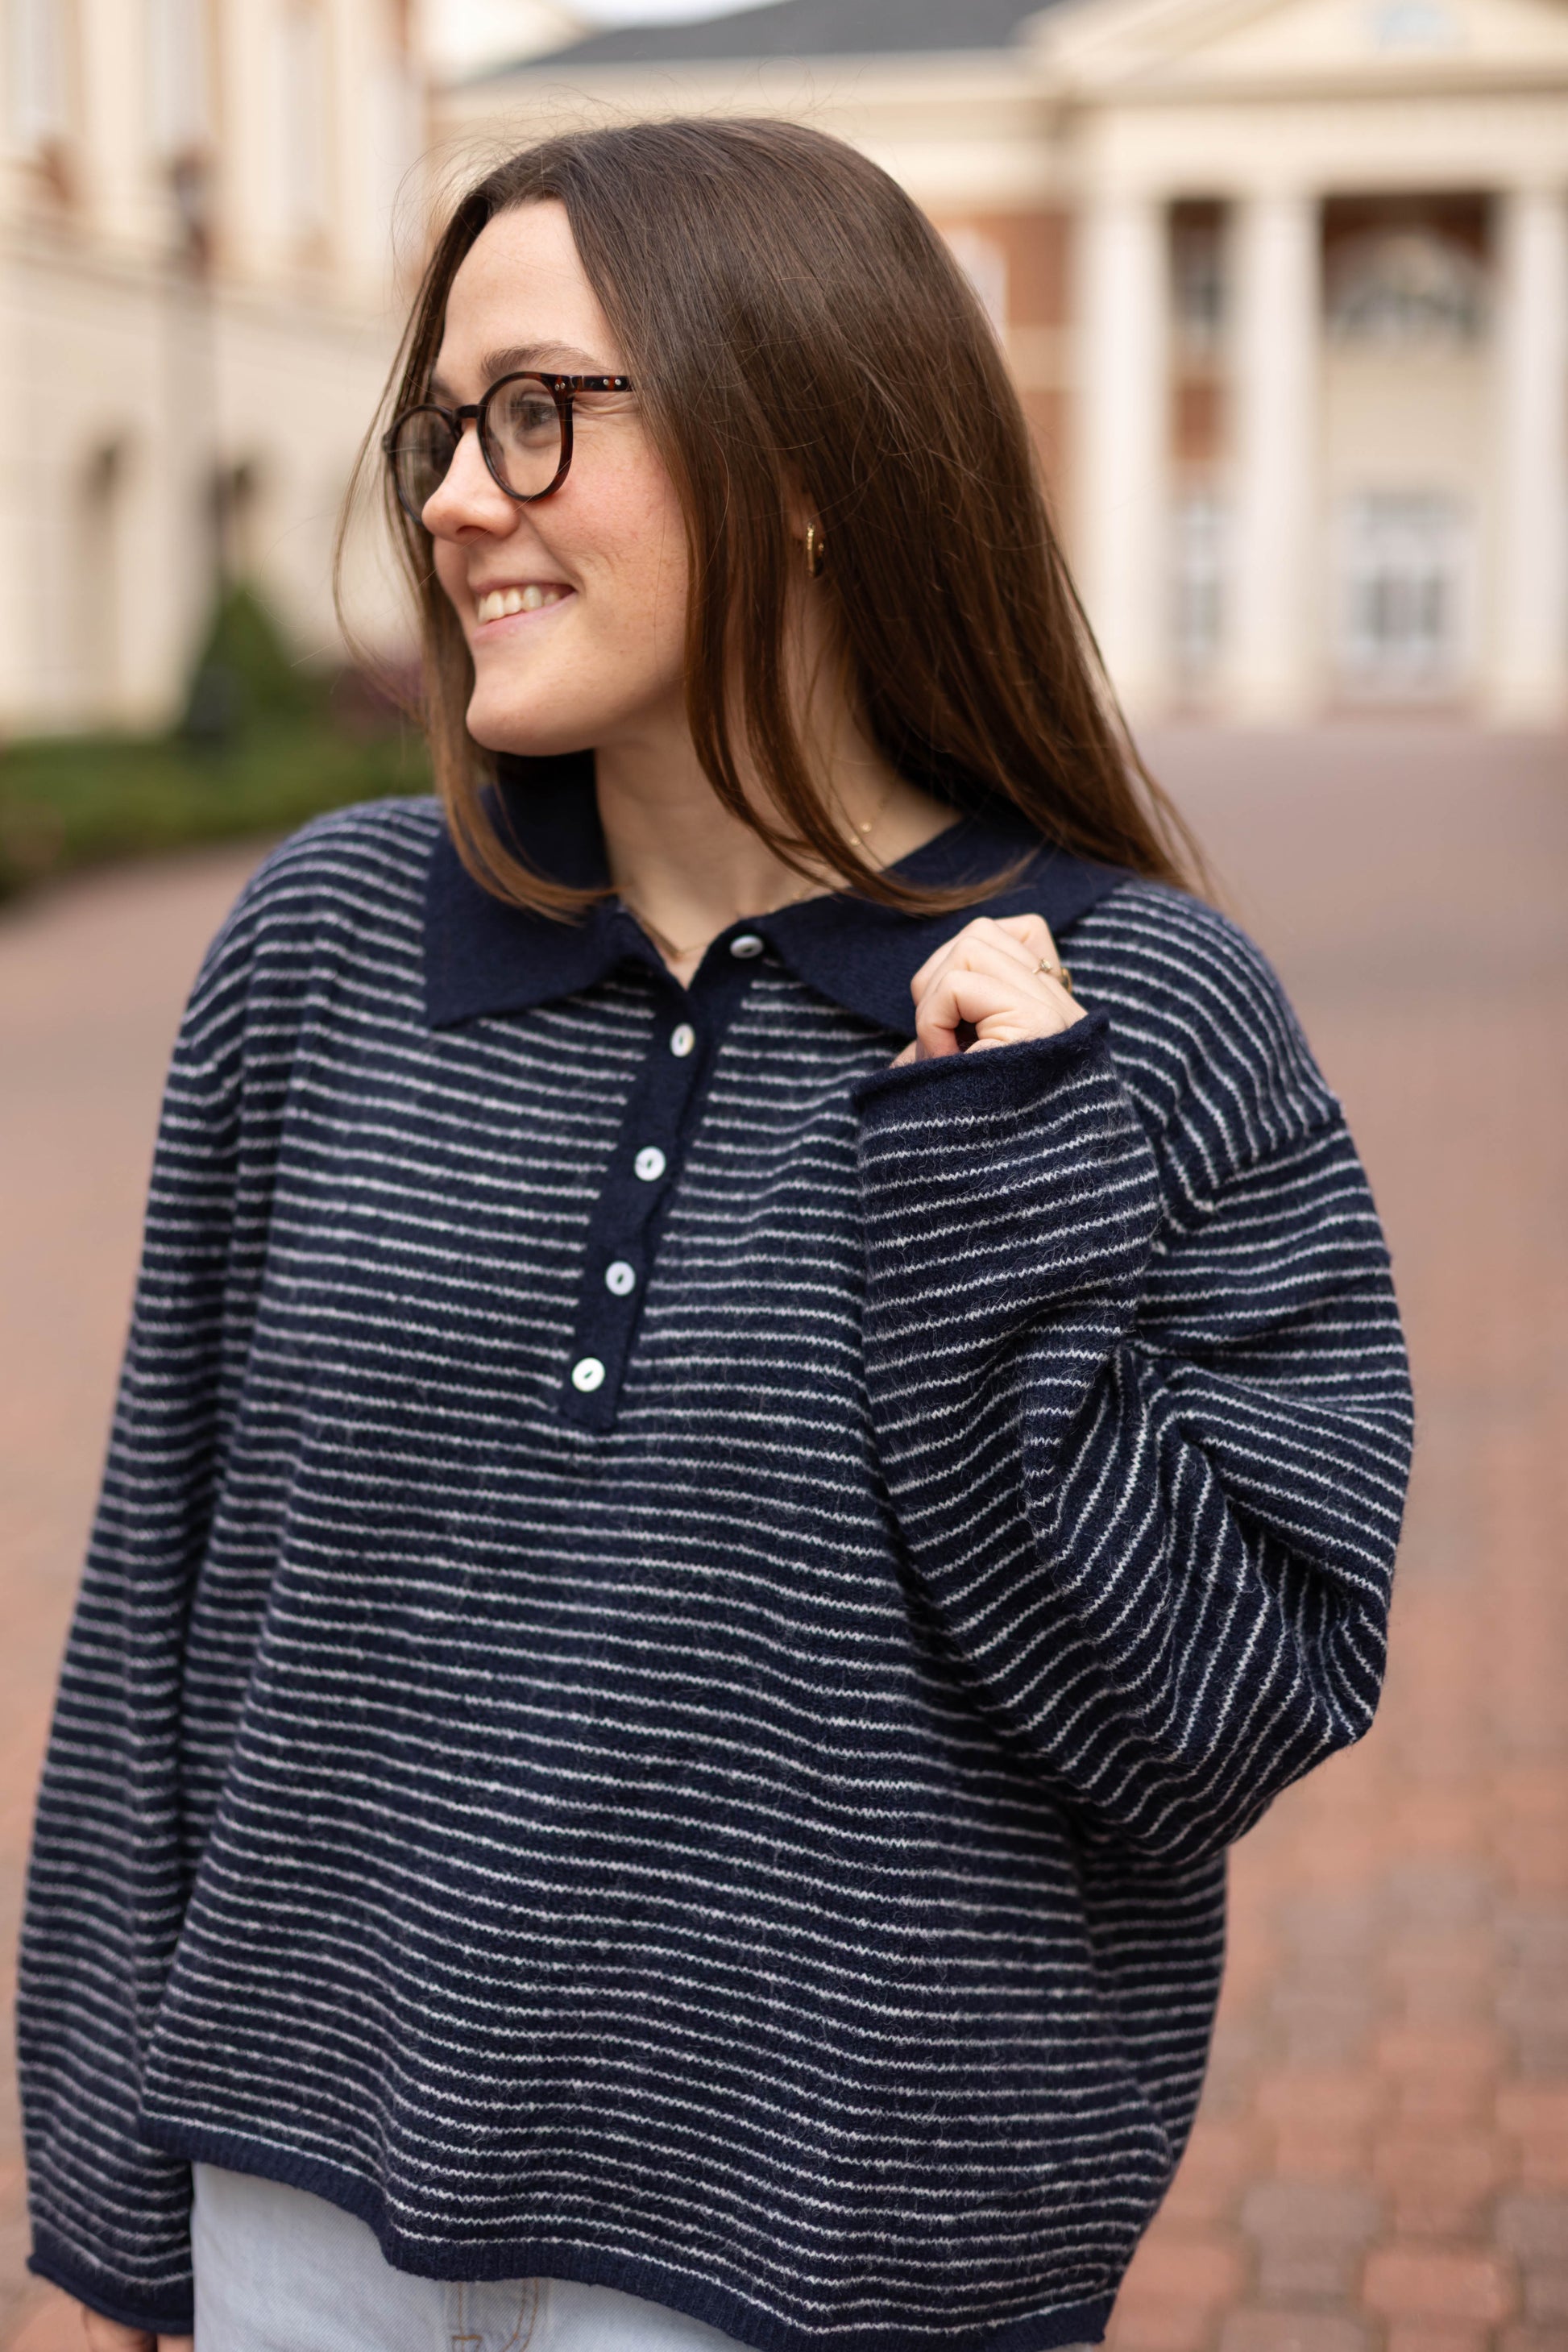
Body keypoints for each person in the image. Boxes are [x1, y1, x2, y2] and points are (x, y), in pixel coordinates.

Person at [19, 118, 1412, 2352]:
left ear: (803, 457)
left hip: (825, 2250)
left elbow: (1218, 1719)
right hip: (299, 2194)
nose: (453, 496)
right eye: (445, 426)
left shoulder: (1142, 1017)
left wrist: (991, 1183)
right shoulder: (321, 947)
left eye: (538, 412)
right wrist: (111, 2185)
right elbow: (161, 1619)